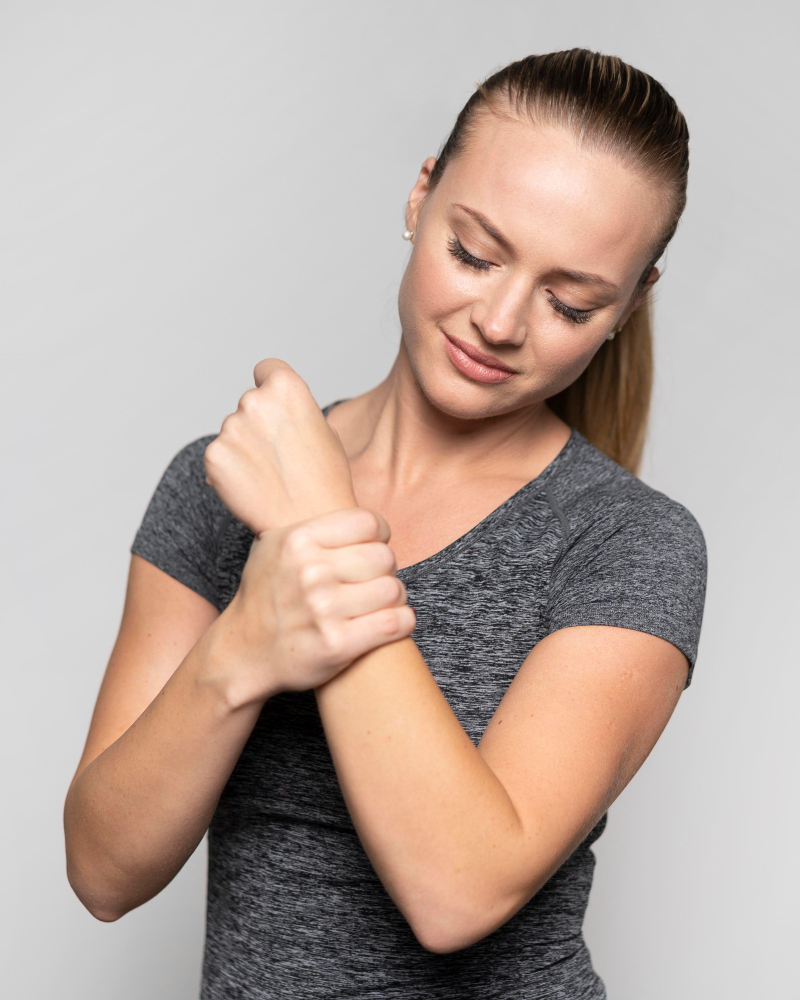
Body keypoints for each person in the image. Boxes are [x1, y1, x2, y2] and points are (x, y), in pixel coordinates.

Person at [63, 48, 708, 999]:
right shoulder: (224, 487)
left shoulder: (630, 545)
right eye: (474, 253)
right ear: (420, 197)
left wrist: (316, 526)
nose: (498, 320)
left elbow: (458, 892)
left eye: (569, 303)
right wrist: (246, 641)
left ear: (630, 305)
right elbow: (102, 871)